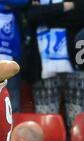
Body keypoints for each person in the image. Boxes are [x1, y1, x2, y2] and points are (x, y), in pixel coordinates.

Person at [26, 0, 84, 129]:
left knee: (79, 122)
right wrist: (67, 6)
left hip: (78, 65)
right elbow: (32, 16)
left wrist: (47, 13)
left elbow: (81, 15)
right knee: (46, 122)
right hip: (42, 66)